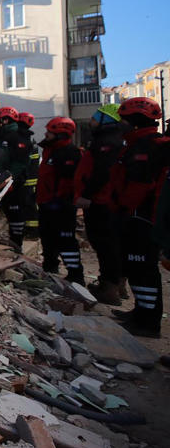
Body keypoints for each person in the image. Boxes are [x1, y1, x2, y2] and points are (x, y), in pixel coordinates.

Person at [109, 97, 170, 338]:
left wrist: (123, 209)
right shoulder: (139, 144)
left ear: (134, 122)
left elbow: (138, 186)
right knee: (135, 267)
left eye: (124, 119)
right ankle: (140, 311)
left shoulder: (146, 148)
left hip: (141, 218)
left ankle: (148, 322)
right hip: (137, 215)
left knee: (143, 269)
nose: (120, 124)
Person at [73, 104, 125, 304]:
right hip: (101, 200)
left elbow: (102, 172)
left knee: (104, 243)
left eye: (96, 117)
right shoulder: (106, 140)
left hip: (101, 201)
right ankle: (113, 284)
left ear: (106, 120)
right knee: (106, 243)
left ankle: (109, 287)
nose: (92, 120)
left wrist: (86, 194)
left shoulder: (106, 142)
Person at [36, 117, 83, 284]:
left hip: (61, 205)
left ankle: (76, 275)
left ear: (61, 134)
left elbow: (70, 181)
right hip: (47, 203)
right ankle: (50, 268)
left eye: (50, 132)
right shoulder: (51, 150)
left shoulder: (69, 152)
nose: (46, 134)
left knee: (66, 240)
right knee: (47, 238)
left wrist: (60, 199)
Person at [0, 106, 30, 248]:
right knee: (9, 211)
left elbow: (19, 162)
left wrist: (10, 179)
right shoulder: (5, 135)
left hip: (14, 182)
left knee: (15, 213)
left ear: (6, 119)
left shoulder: (15, 137)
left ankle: (17, 243)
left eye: (0, 119)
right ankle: (13, 241)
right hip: (3, 179)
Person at [17, 112, 40, 238]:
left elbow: (25, 161)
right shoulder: (31, 139)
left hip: (27, 178)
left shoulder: (26, 140)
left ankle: (33, 231)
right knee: (29, 205)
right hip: (31, 178)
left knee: (30, 205)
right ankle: (31, 229)